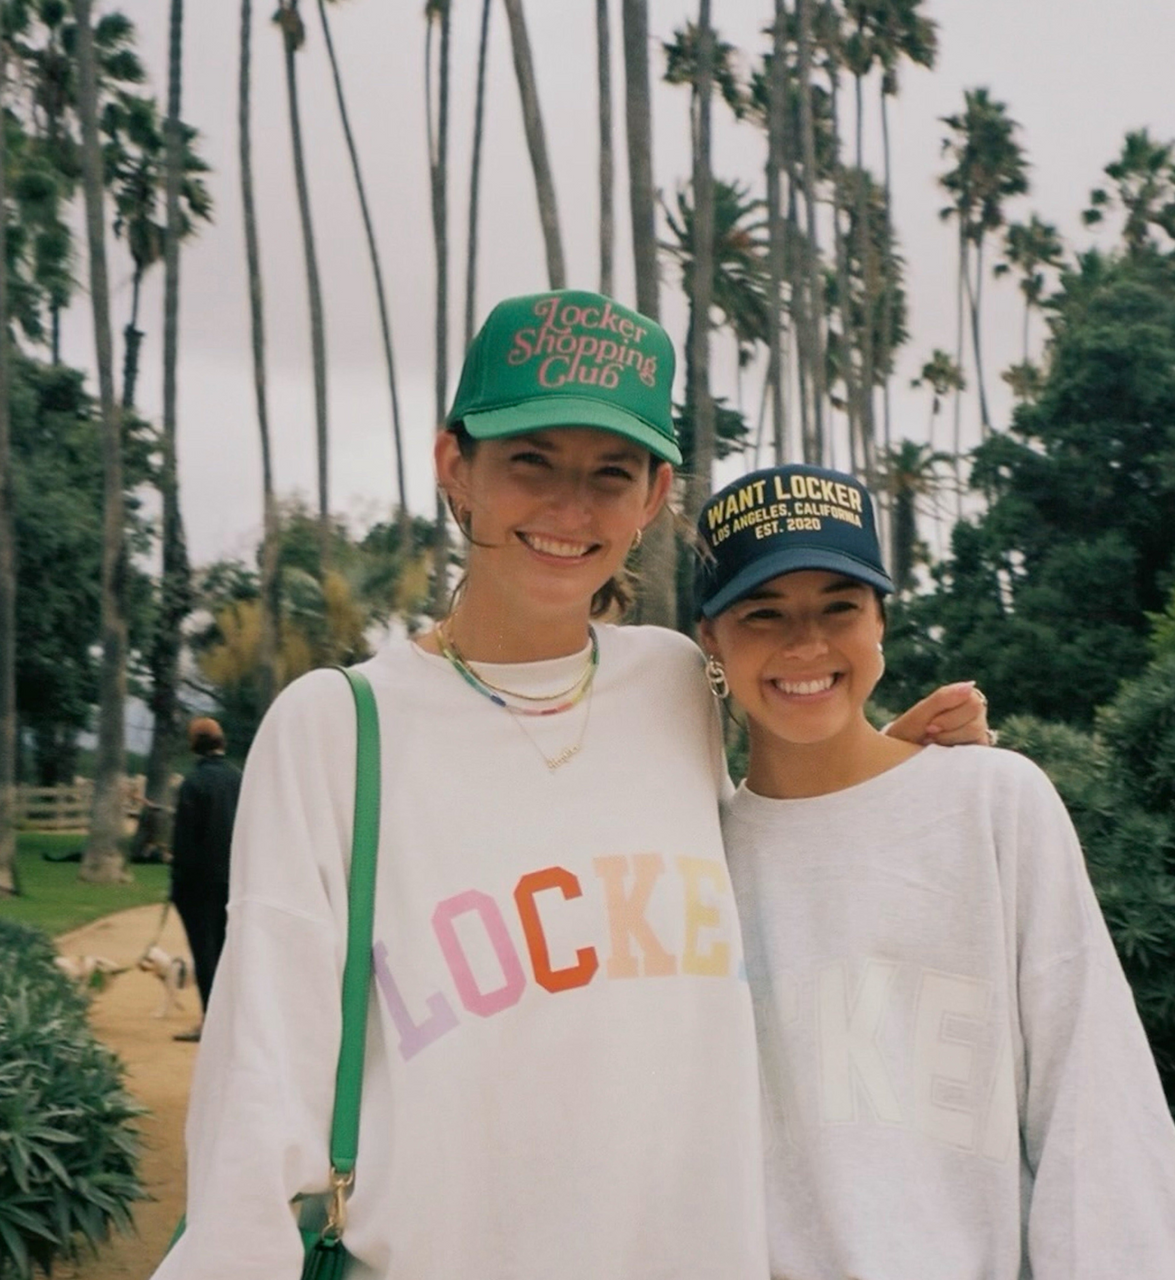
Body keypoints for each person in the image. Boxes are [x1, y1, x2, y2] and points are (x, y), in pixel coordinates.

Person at [156, 291, 986, 1280]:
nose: (569, 506)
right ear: (453, 467)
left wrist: (881, 770)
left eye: (609, 472)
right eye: (529, 461)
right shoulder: (337, 725)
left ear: (652, 496)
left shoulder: (676, 684)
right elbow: (260, 1079)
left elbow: (753, 883)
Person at [696, 462, 1175, 1280]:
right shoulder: (695, 858)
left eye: (839, 608)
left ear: (882, 619)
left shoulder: (993, 803)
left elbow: (1096, 1106)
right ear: (710, 638)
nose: (807, 643)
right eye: (763, 613)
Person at [168, 716, 242, 1042]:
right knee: (231, 951)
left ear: (196, 742)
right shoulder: (239, 779)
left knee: (205, 952)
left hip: (199, 885)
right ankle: (235, 1020)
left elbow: (184, 842)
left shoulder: (193, 784)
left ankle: (212, 1022)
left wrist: (177, 880)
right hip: (236, 880)